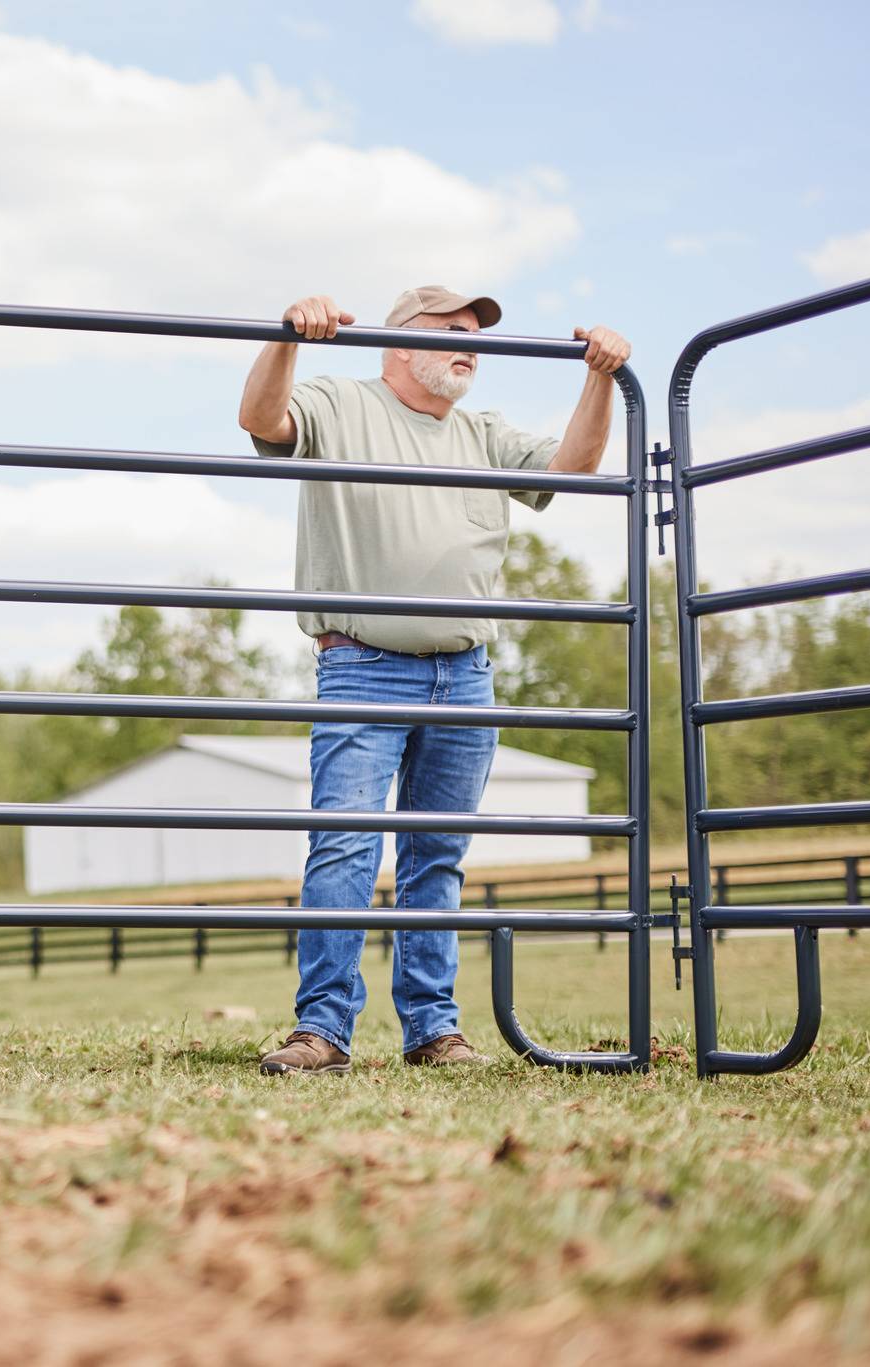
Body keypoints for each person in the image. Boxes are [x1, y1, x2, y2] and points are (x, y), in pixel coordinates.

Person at [235, 286, 630, 1075]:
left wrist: (601, 377)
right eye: (450, 331)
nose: (469, 343)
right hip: (363, 665)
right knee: (345, 844)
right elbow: (260, 418)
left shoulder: (482, 431)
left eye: (476, 334)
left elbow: (574, 471)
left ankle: (433, 1031)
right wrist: (288, 336)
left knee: (437, 855)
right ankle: (323, 1031)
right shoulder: (341, 402)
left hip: (465, 674)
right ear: (398, 343)